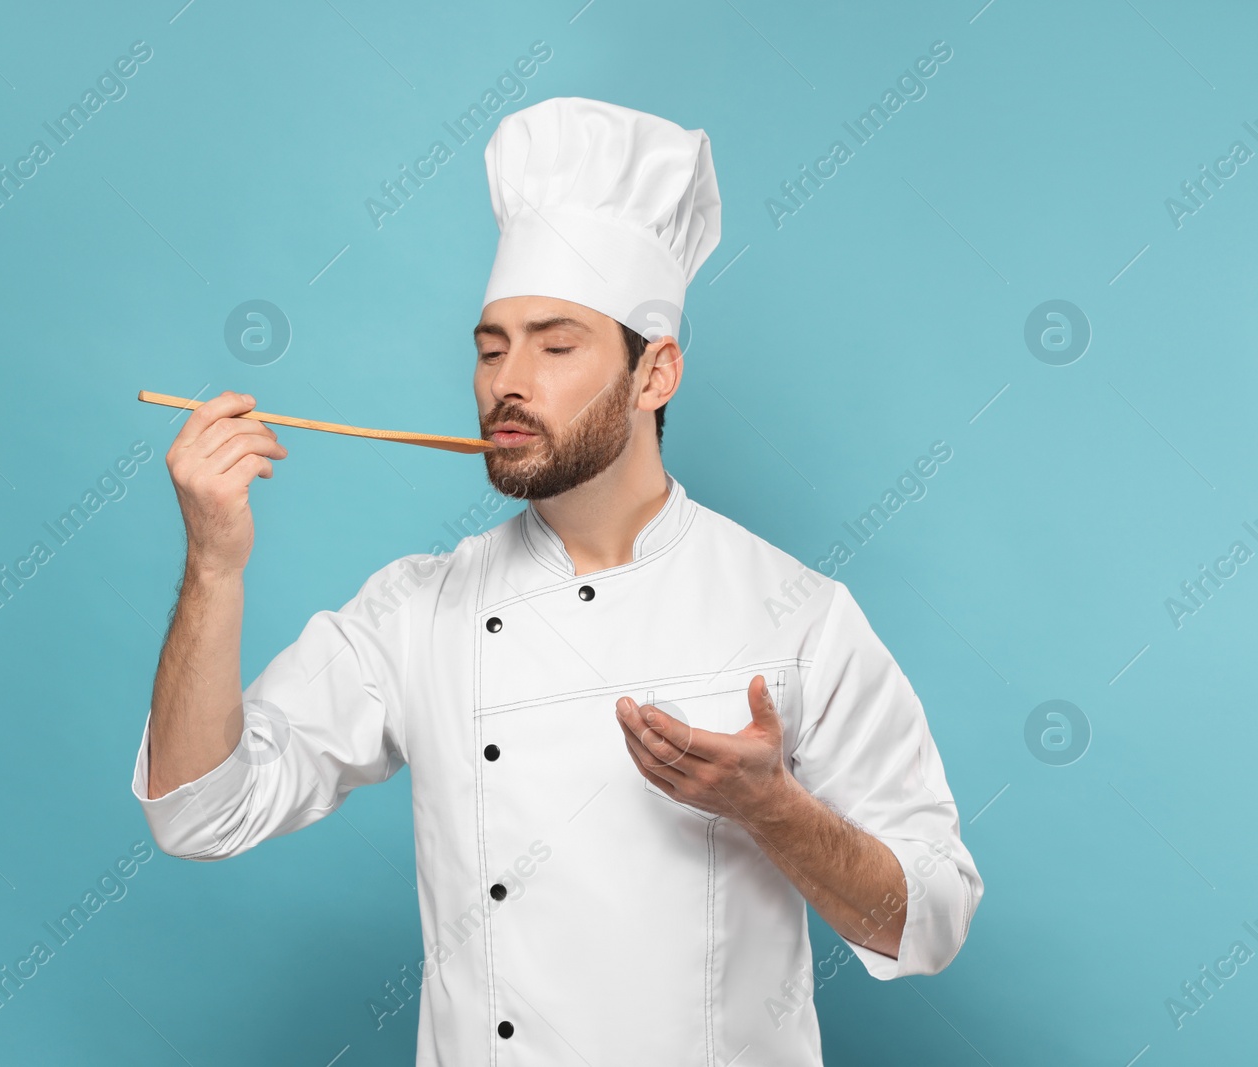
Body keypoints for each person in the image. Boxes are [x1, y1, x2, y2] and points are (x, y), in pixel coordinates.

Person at [131, 96, 983, 1065]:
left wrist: (772, 807)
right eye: (491, 347)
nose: (507, 380)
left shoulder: (795, 613)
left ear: (654, 373)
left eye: (555, 342)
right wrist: (212, 563)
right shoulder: (418, 610)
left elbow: (933, 917)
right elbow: (200, 810)